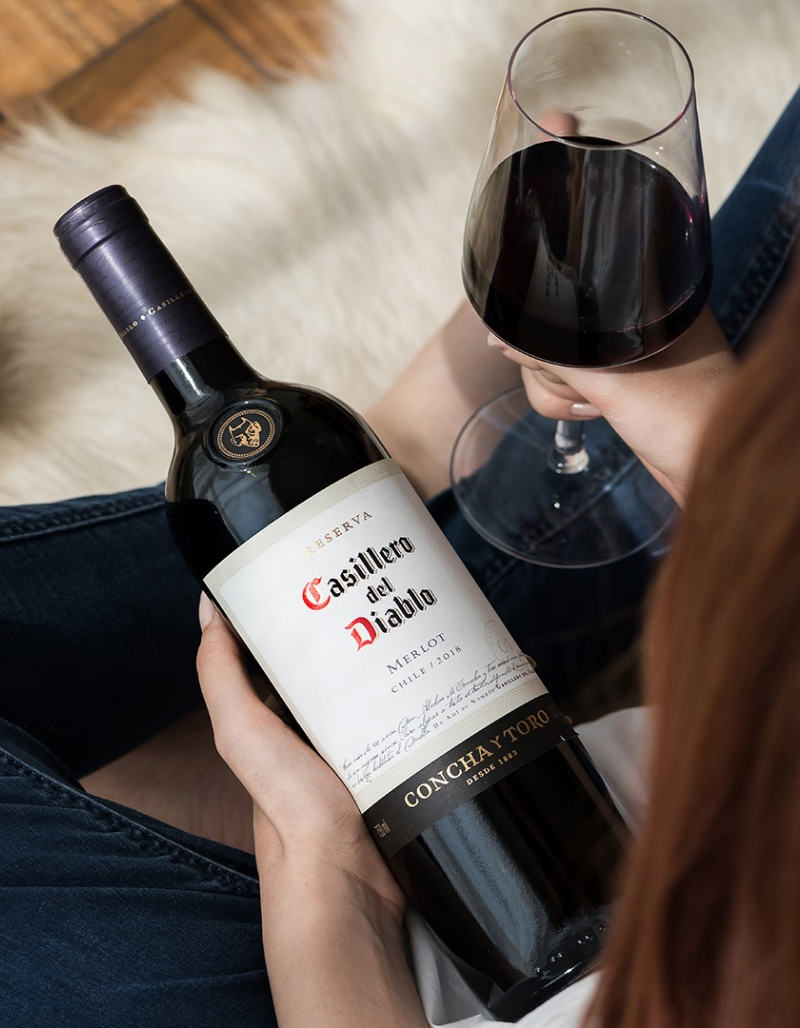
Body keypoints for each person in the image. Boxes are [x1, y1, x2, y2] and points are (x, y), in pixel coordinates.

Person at [1, 78, 799, 1028]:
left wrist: (318, 855)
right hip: (620, 818)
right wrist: (714, 441)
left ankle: (391, 464)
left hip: (371, 915)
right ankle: (388, 468)